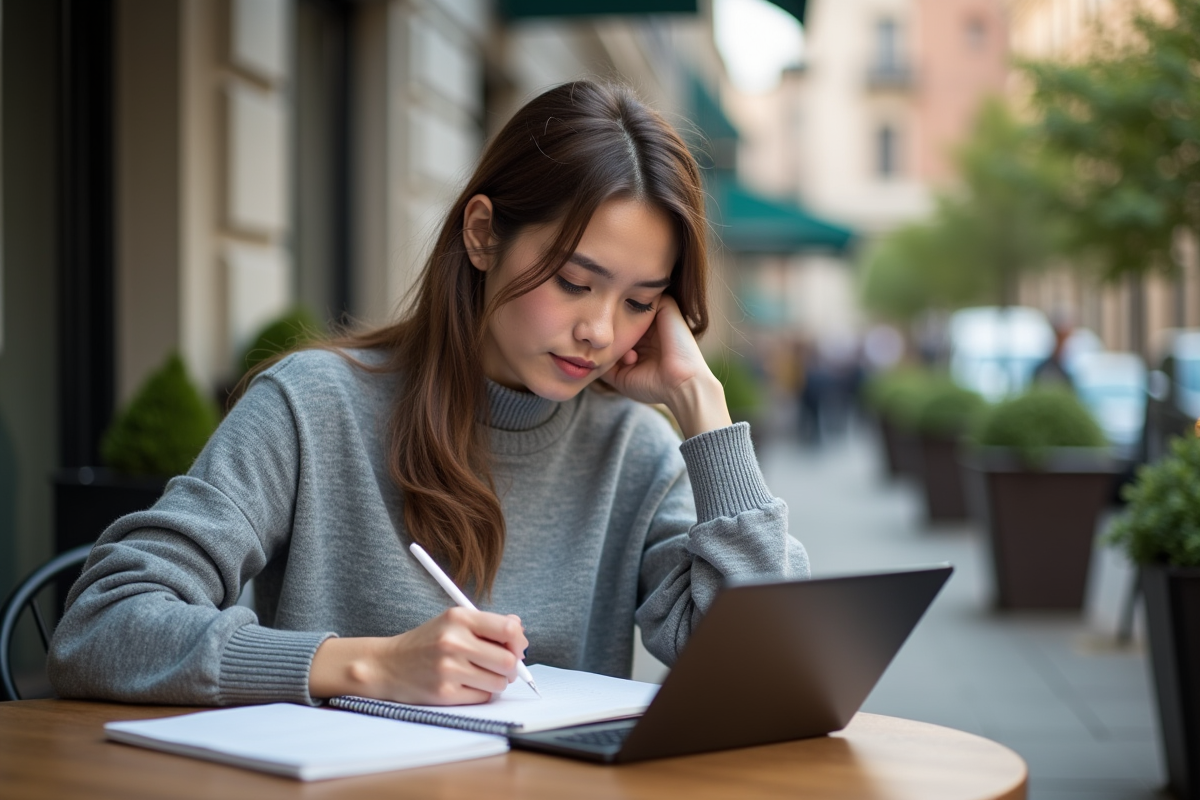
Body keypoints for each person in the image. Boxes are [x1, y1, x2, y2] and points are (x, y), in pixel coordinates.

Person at [48, 80, 809, 708]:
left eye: (641, 301)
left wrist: (701, 406)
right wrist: (367, 665)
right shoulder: (314, 406)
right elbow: (100, 626)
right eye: (576, 282)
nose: (600, 331)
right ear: (482, 234)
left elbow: (774, 670)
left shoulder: (634, 452)